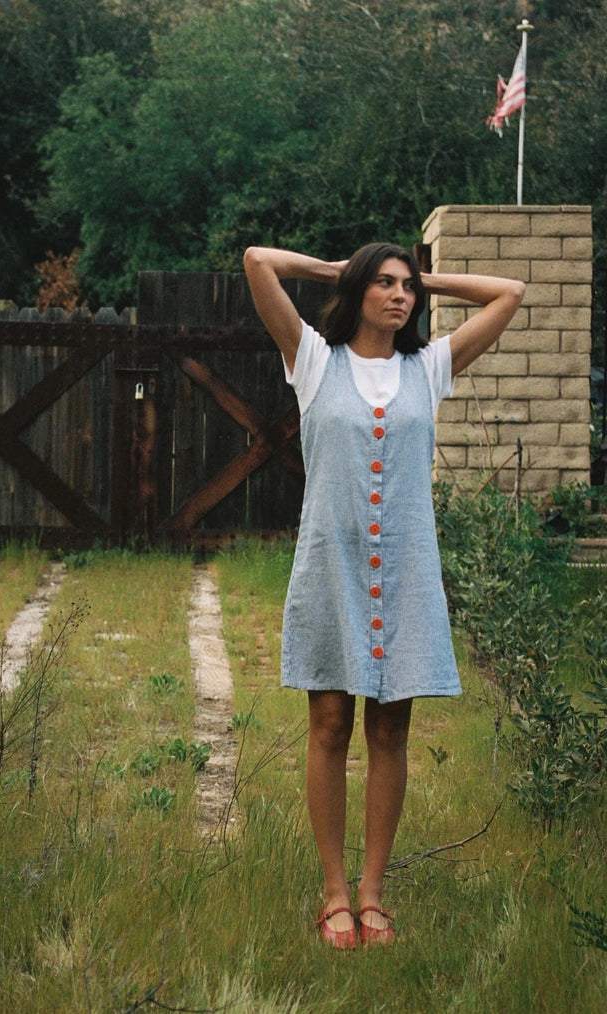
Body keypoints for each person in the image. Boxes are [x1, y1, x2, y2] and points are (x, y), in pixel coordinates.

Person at [242, 243, 525, 950]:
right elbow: (256, 262)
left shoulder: (426, 369)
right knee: (331, 723)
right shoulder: (312, 360)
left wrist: (428, 276)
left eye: (409, 287)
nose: (401, 296)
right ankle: (333, 892)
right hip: (332, 568)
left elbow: (509, 293)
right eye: (387, 283)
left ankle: (373, 894)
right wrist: (337, 269)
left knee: (390, 729)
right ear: (359, 289)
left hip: (403, 571)